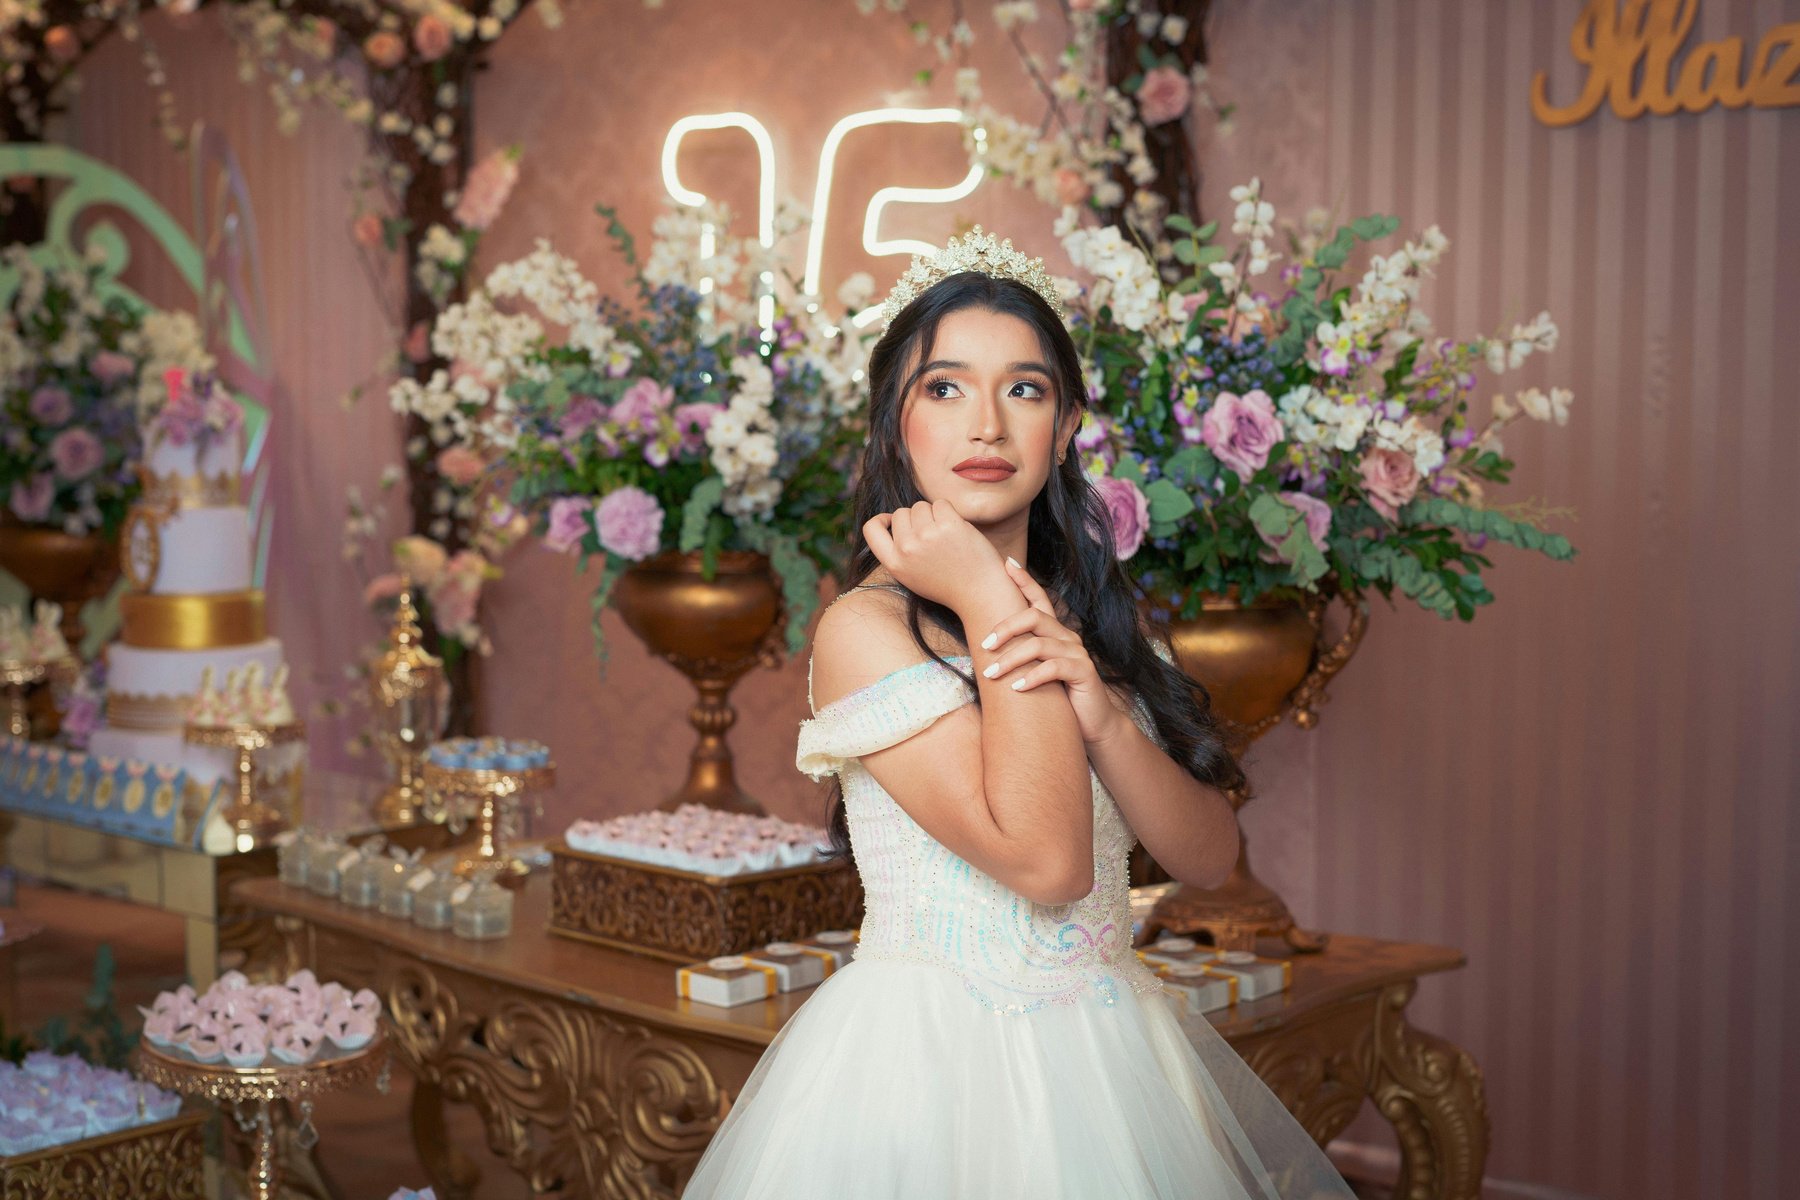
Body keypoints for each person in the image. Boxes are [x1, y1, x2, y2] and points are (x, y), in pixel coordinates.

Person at [681, 230, 1356, 1199]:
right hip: (928, 1067)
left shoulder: (1097, 626)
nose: (987, 426)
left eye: (1026, 390)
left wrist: (1108, 715)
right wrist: (991, 599)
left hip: (1114, 1051)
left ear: (1067, 423)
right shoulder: (865, 630)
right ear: (893, 422)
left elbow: (1209, 860)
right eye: (944, 388)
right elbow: (1047, 864)